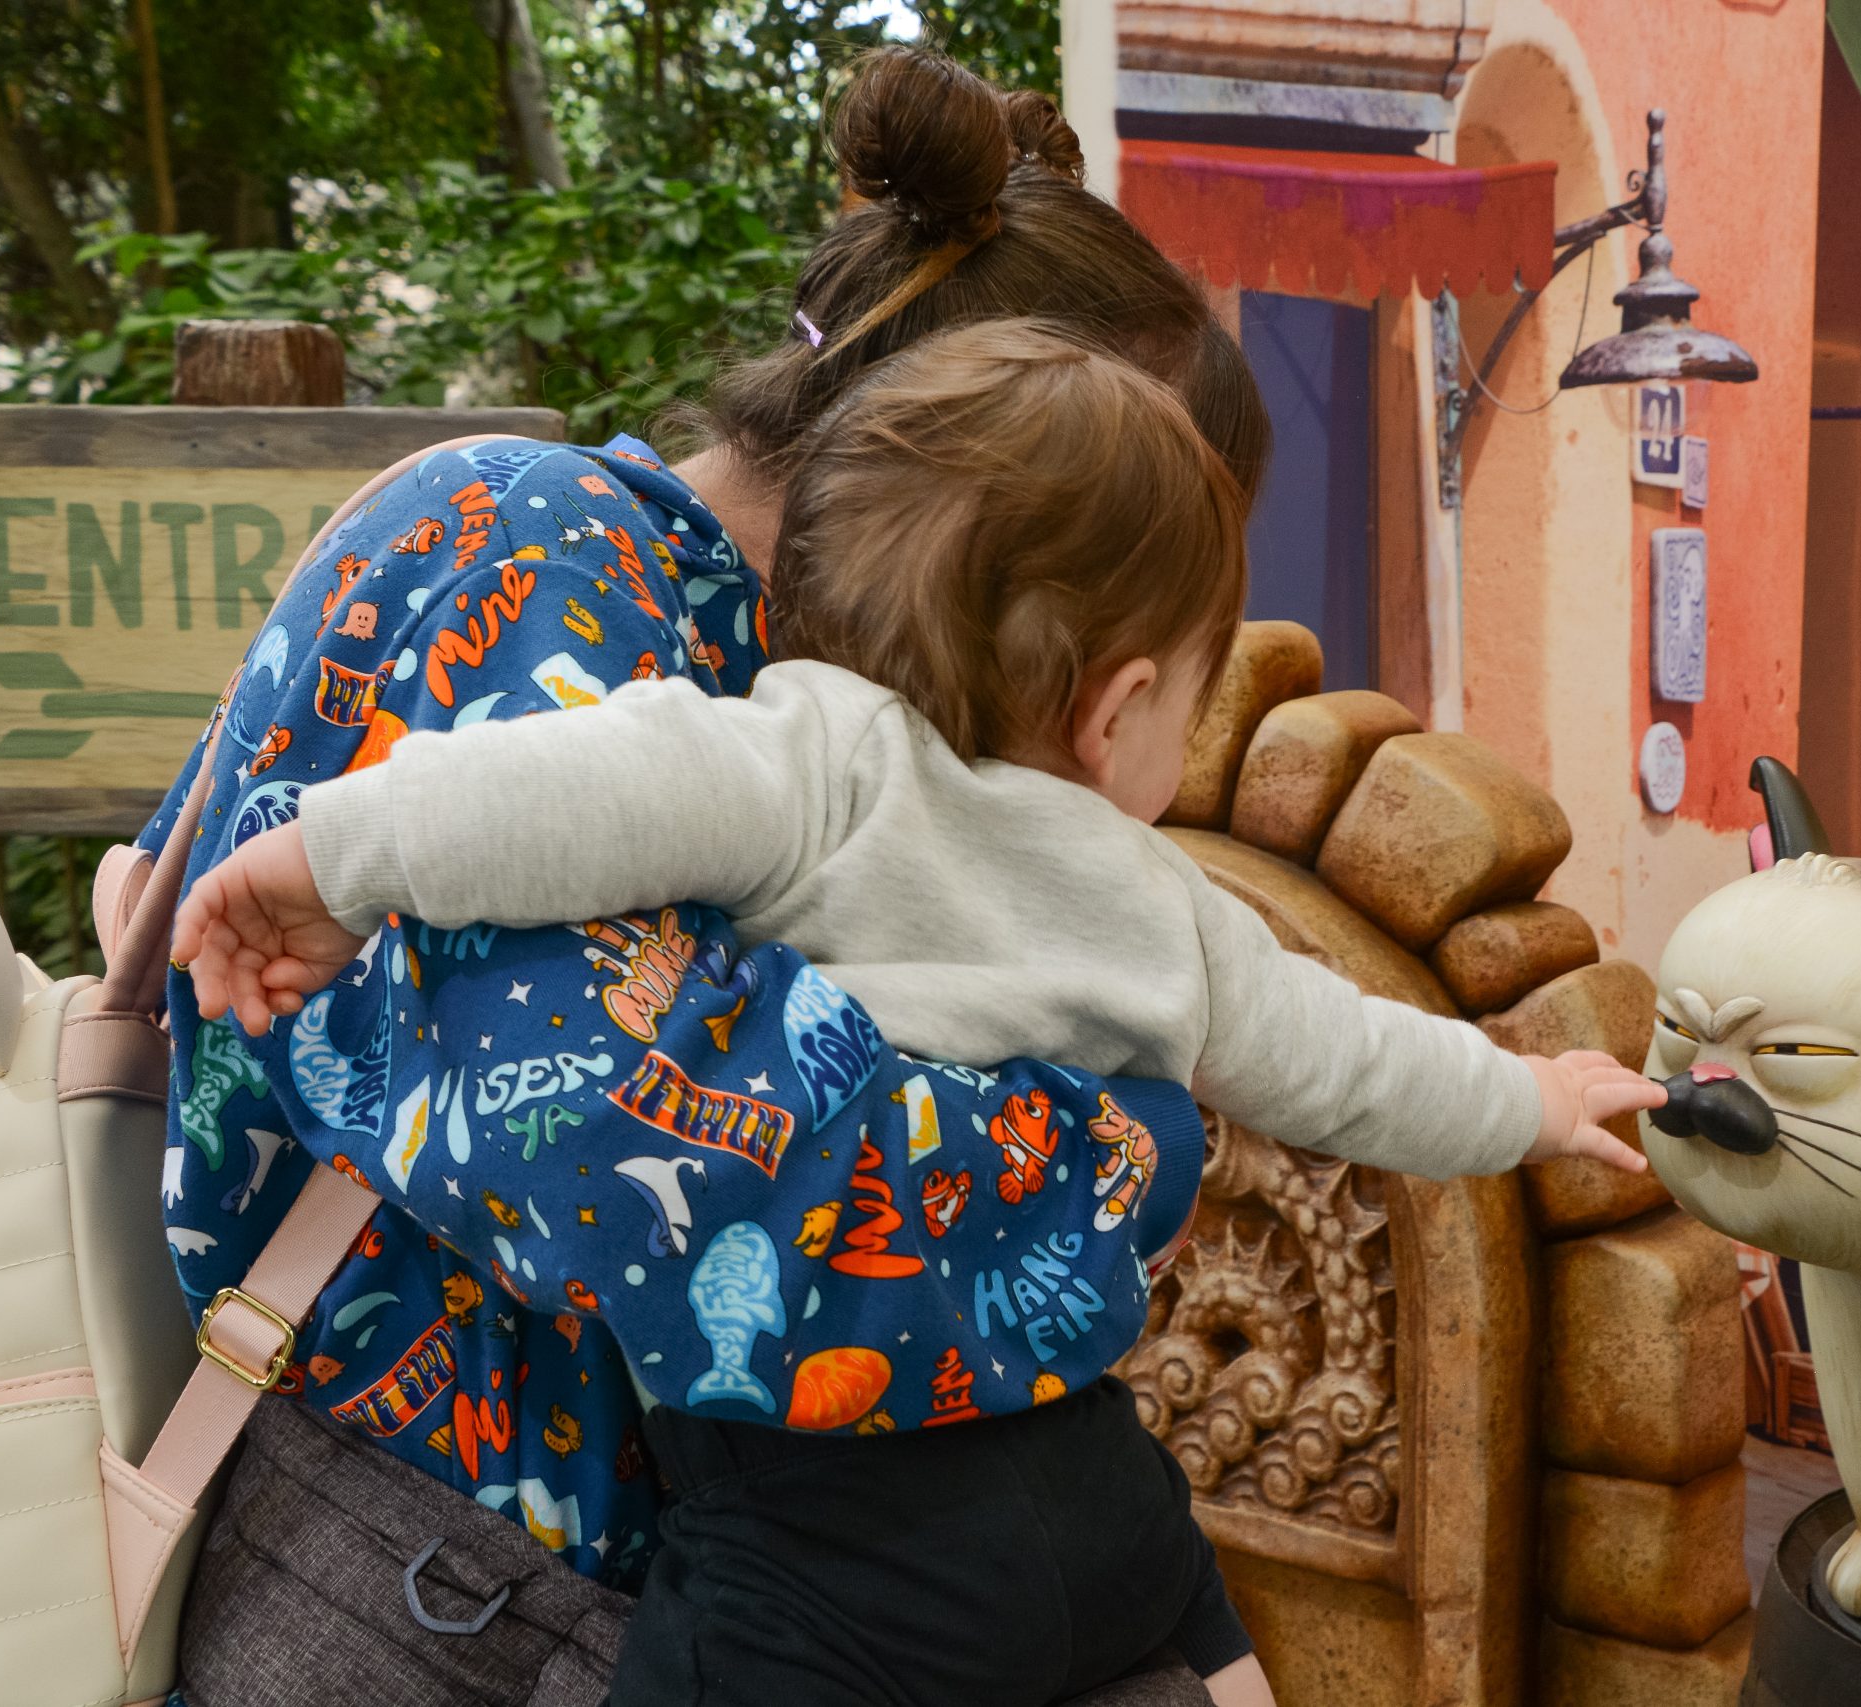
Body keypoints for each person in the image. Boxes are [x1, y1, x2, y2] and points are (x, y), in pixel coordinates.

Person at [179, 318, 1664, 1707]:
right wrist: (1530, 1102)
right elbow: (1347, 1058)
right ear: (1118, 704)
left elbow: (556, 794)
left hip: (827, 1546)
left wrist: (331, 865)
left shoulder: (819, 758)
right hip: (1108, 1502)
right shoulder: (1163, 902)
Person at [149, 46, 1277, 1707]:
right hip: (436, 1584)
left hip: (654, 1582)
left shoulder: (792, 685)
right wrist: (1135, 1146)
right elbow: (662, 1171)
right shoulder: (539, 557)